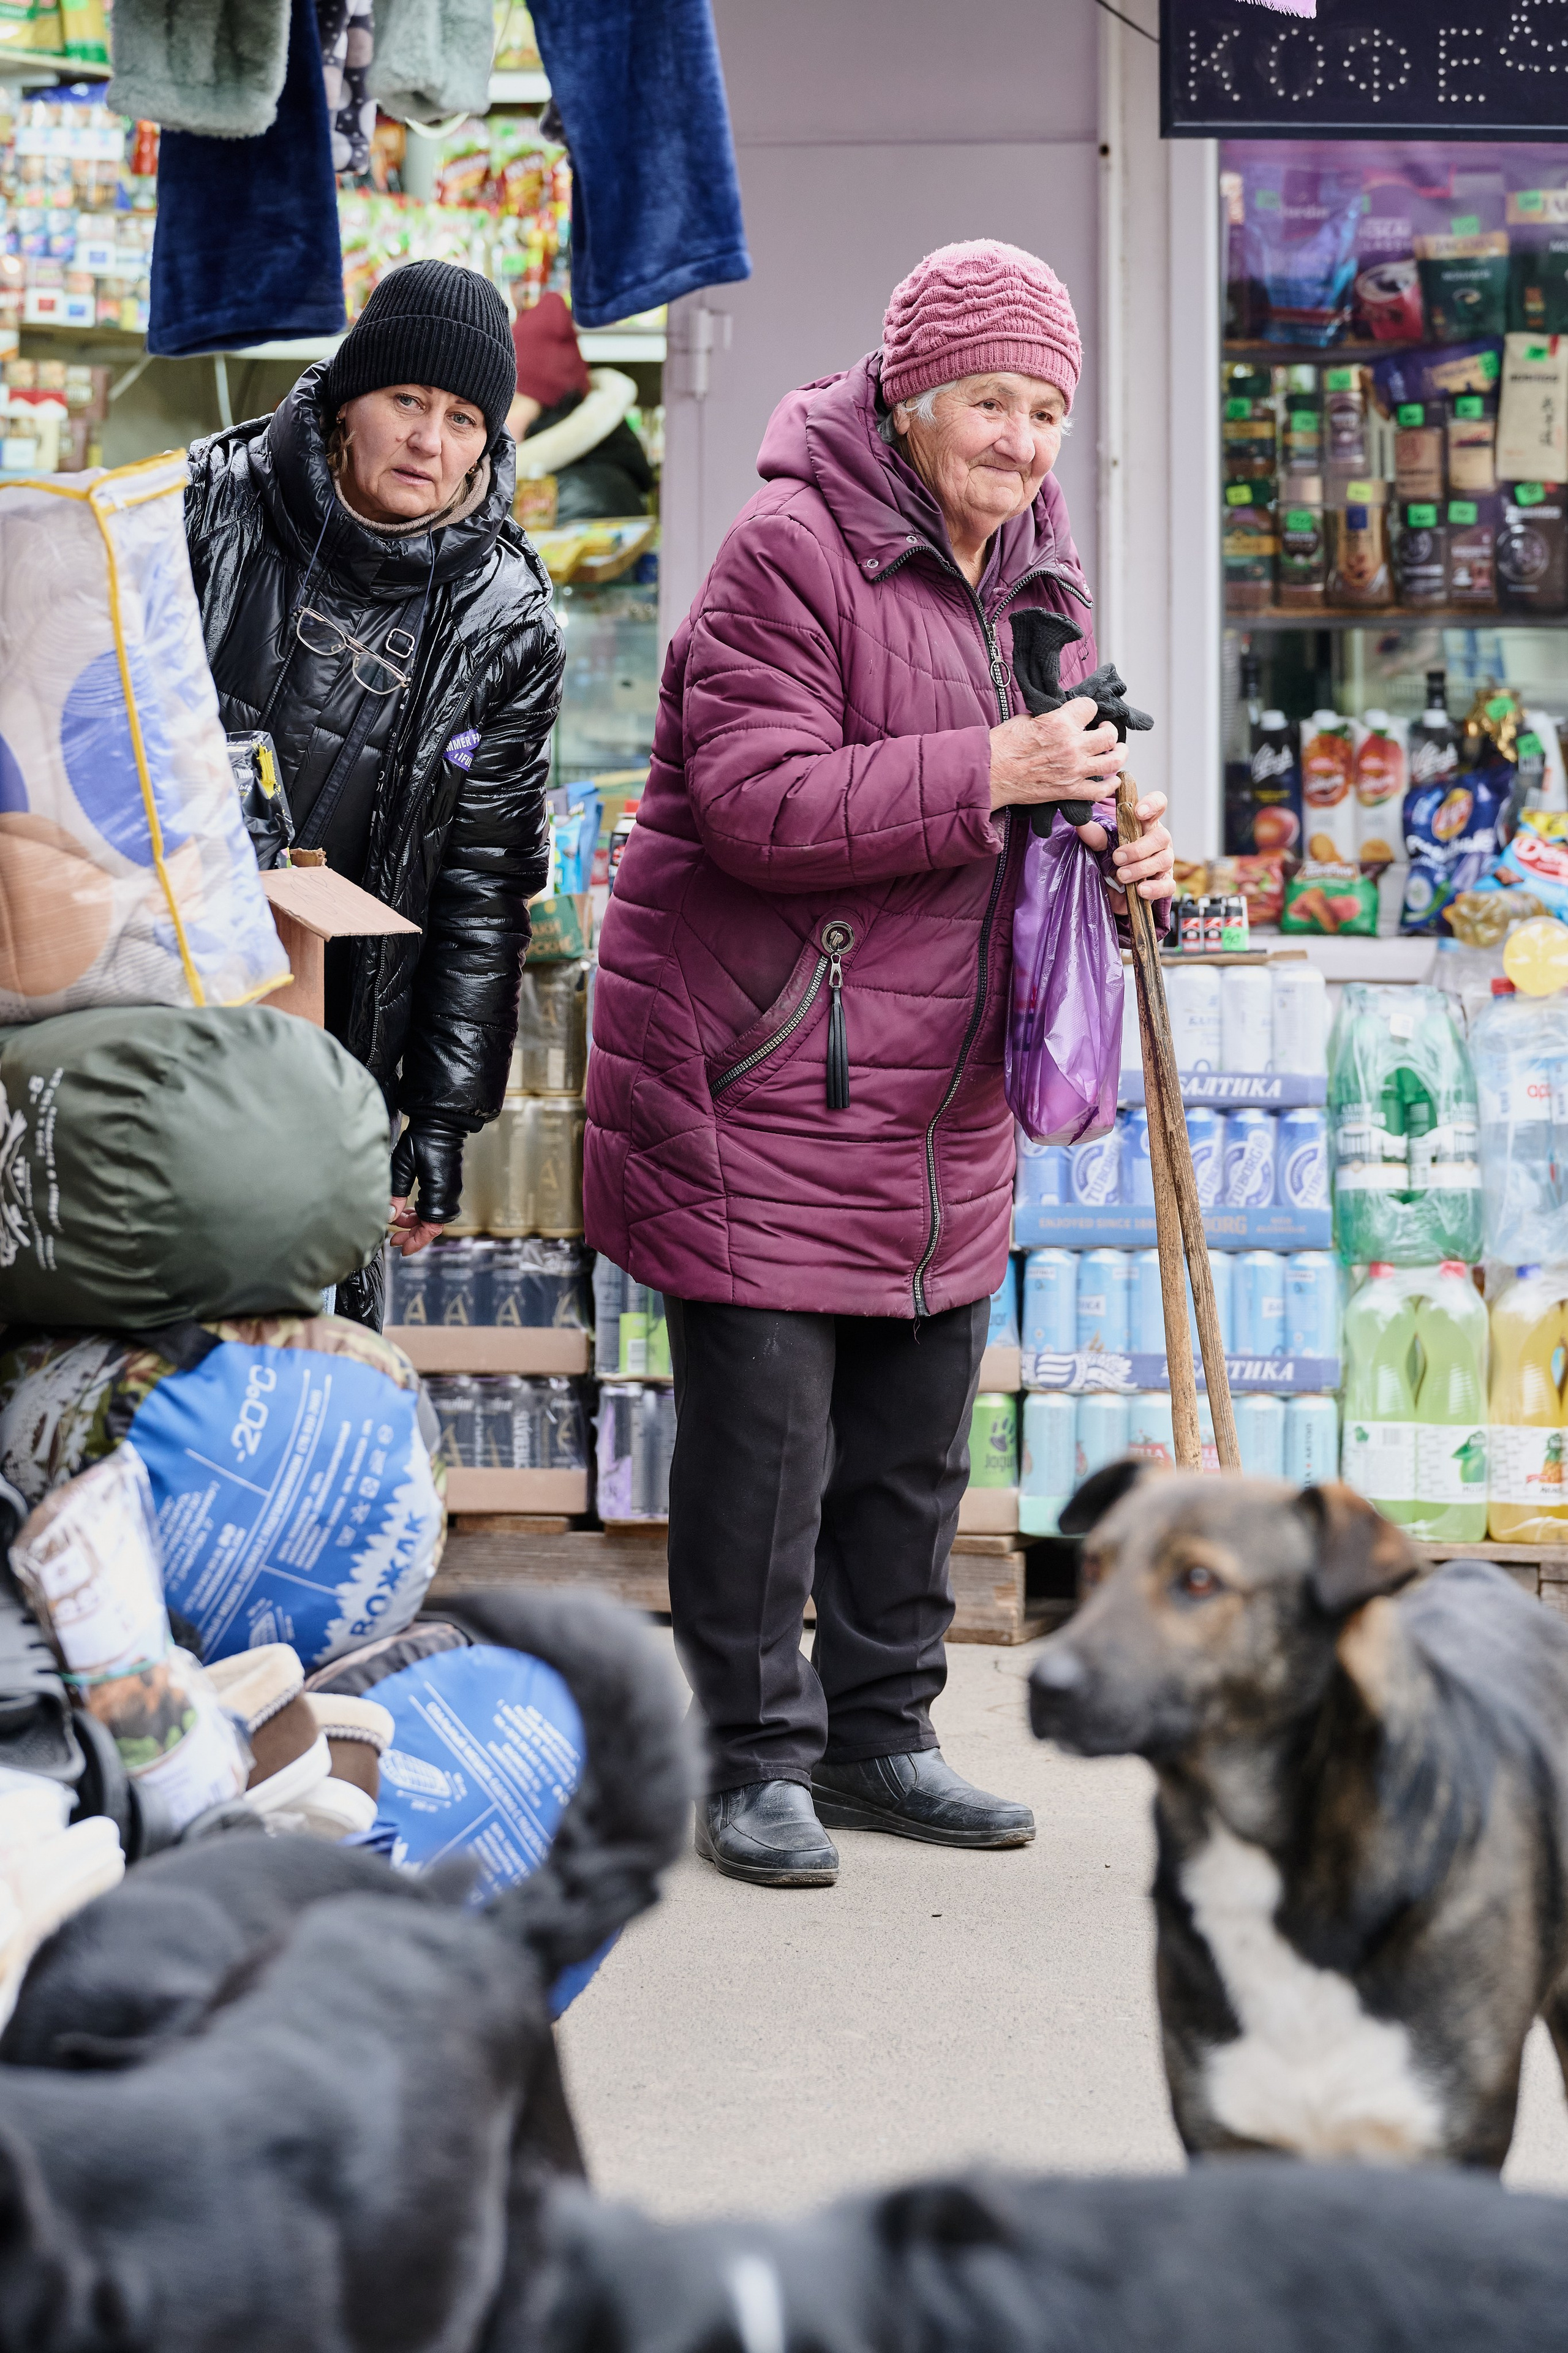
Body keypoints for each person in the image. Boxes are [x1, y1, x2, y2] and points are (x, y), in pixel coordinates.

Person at [585, 239, 1175, 1889]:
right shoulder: (789, 548)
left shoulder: (1042, 578)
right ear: (914, 404)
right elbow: (761, 802)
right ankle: (752, 1756)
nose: (1024, 436)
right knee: (766, 1451)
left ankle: (883, 1735)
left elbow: (1043, 799)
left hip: (937, 1088)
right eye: (993, 399)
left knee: (916, 1442)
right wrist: (997, 763)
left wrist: (1121, 845)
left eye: (1049, 406)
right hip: (766, 1069)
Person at [185, 260, 564, 1324]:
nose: (428, 441)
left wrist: (441, 1117)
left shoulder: (508, 620)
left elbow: (485, 889)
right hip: (154, 1010)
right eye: (406, 400)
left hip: (342, 1050)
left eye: (461, 418)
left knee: (300, 1349)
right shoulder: (203, 508)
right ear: (350, 400)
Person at [508, 290, 654, 522]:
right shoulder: (580, 478)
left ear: (550, 410)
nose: (498, 418)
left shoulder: (581, 495)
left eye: (512, 404)